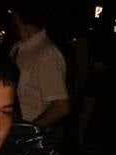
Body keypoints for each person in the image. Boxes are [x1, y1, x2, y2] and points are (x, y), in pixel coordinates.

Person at [9, 0, 69, 137]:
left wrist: (30, 131)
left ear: (17, 16)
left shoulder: (46, 54)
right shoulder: (18, 48)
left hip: (26, 141)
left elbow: (61, 107)